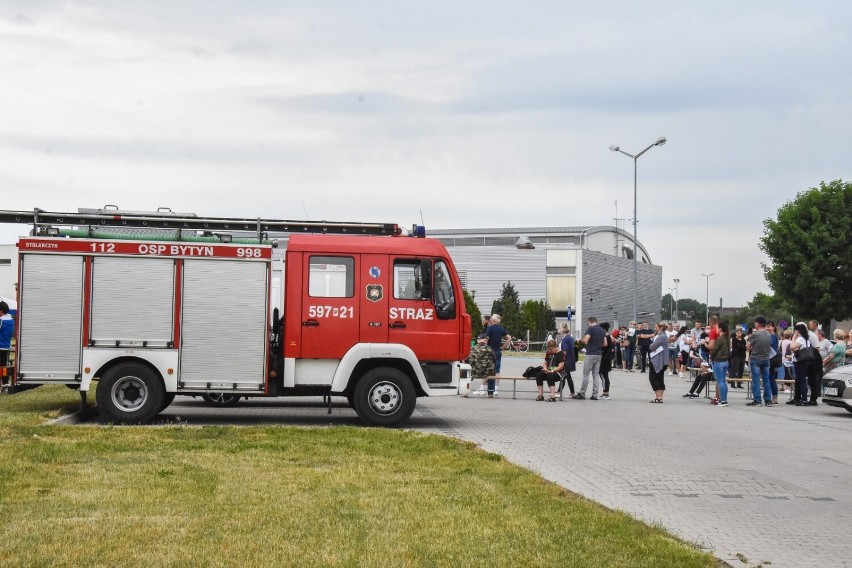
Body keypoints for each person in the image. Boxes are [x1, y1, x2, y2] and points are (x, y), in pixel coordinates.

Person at [573, 316, 605, 400]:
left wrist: (579, 340)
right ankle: (595, 394)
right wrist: (597, 345)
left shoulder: (590, 329)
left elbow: (585, 340)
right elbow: (605, 343)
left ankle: (582, 393)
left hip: (591, 353)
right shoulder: (602, 330)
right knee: (595, 374)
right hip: (599, 354)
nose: (587, 324)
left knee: (586, 374)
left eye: (587, 323)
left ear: (589, 321)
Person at [479, 314, 510, 397]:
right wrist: (503, 347)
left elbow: (486, 340)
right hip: (498, 351)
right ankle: (495, 389)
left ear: (492, 320)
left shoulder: (489, 328)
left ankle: (483, 389)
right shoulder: (501, 328)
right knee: (497, 371)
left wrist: (482, 345)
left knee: (488, 370)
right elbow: (509, 338)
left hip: (490, 351)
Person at [746, 316, 773, 407]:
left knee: (756, 380)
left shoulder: (755, 334)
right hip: (766, 359)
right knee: (766, 380)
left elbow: (748, 346)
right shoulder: (769, 334)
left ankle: (757, 400)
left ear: (757, 324)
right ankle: (768, 400)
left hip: (756, 359)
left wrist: (752, 347)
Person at [790, 323, 812, 406]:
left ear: (798, 331)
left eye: (795, 330)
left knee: (801, 380)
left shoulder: (800, 339)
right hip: (805, 362)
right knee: (799, 380)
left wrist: (793, 338)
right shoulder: (806, 339)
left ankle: (804, 399)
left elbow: (792, 347)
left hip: (800, 362)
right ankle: (798, 398)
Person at [648, 322, 670, 403]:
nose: (655, 328)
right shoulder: (663, 335)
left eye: (656, 327)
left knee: (653, 378)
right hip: (662, 359)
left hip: (658, 360)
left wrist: (652, 346)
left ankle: (658, 397)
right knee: (660, 378)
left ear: (660, 328)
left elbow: (652, 346)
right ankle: (659, 397)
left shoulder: (661, 336)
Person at [710, 322, 731, 407]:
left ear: (720, 329)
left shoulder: (720, 339)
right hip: (726, 361)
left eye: (717, 328)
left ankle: (722, 400)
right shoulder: (727, 338)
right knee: (723, 381)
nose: (716, 329)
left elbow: (714, 350)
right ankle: (724, 399)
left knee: (720, 381)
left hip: (719, 361)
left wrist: (711, 357)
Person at [559, 326, 577, 397]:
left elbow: (565, 351)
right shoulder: (570, 338)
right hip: (571, 359)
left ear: (563, 330)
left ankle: (558, 392)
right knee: (567, 376)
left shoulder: (565, 339)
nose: (559, 330)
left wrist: (559, 355)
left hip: (567, 360)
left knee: (563, 376)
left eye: (560, 328)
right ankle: (572, 392)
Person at [599, 322, 613, 400]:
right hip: (606, 359)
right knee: (604, 376)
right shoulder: (608, 337)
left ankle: (606, 393)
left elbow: (605, 346)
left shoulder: (606, 337)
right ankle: (605, 393)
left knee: (604, 376)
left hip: (605, 359)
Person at [0, 301, 13, 371]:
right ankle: (5, 382)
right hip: (6, 347)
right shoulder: (11, 320)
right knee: (4, 368)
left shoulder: (1, 320)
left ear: (1, 311)